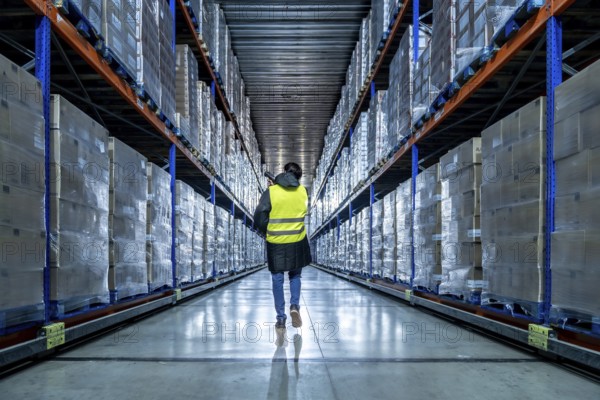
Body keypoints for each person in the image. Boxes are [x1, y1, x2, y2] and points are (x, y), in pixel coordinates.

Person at [254, 162, 312, 330]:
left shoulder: (271, 192)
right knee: (295, 276)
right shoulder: (303, 192)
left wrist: (268, 230)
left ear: (285, 172)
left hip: (276, 242)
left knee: (277, 279)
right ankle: (294, 306)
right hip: (297, 241)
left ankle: (280, 318)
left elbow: (259, 216)